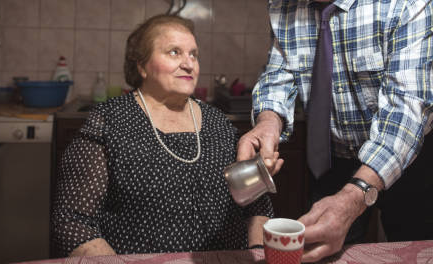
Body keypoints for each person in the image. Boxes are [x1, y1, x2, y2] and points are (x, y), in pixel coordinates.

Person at [237, 0, 433, 262]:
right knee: (323, 251)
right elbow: (279, 75)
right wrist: (267, 123)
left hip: (416, 152)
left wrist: (358, 191)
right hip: (336, 153)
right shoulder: (284, 1)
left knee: (423, 253)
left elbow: (407, 107)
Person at [52, 14, 273, 257]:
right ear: (142, 66)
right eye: (174, 52)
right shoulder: (110, 121)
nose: (189, 63)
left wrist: (257, 252)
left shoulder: (218, 122)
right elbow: (73, 222)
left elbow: (258, 203)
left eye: (193, 54)